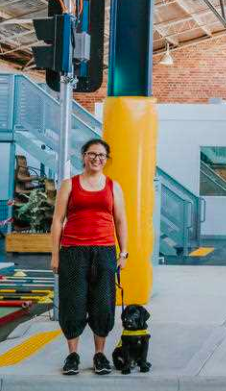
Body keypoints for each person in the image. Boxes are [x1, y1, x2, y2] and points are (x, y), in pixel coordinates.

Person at [50, 139, 129, 376]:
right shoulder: (69, 185)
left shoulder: (113, 186)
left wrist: (123, 252)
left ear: (107, 159)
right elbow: (57, 220)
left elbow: (121, 221)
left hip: (104, 251)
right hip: (73, 252)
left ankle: (99, 355)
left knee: (103, 304)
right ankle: (72, 355)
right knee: (72, 303)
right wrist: (55, 255)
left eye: (102, 155)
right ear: (84, 156)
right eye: (92, 154)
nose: (97, 158)